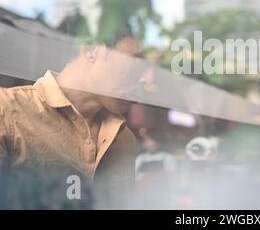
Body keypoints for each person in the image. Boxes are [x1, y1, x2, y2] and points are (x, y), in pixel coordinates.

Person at [0, 37, 153, 208]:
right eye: (140, 63)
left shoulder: (125, 140)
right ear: (92, 49)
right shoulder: (6, 110)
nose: (148, 81)